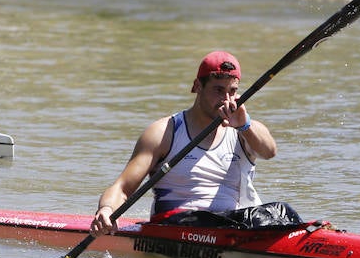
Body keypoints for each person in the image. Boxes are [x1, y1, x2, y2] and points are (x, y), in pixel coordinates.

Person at [90, 51, 277, 237]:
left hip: (230, 227)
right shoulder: (164, 132)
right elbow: (123, 187)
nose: (226, 100)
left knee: (280, 212)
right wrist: (106, 210)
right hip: (175, 226)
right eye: (218, 90)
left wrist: (244, 125)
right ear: (197, 86)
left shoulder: (244, 128)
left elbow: (269, 152)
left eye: (232, 91)